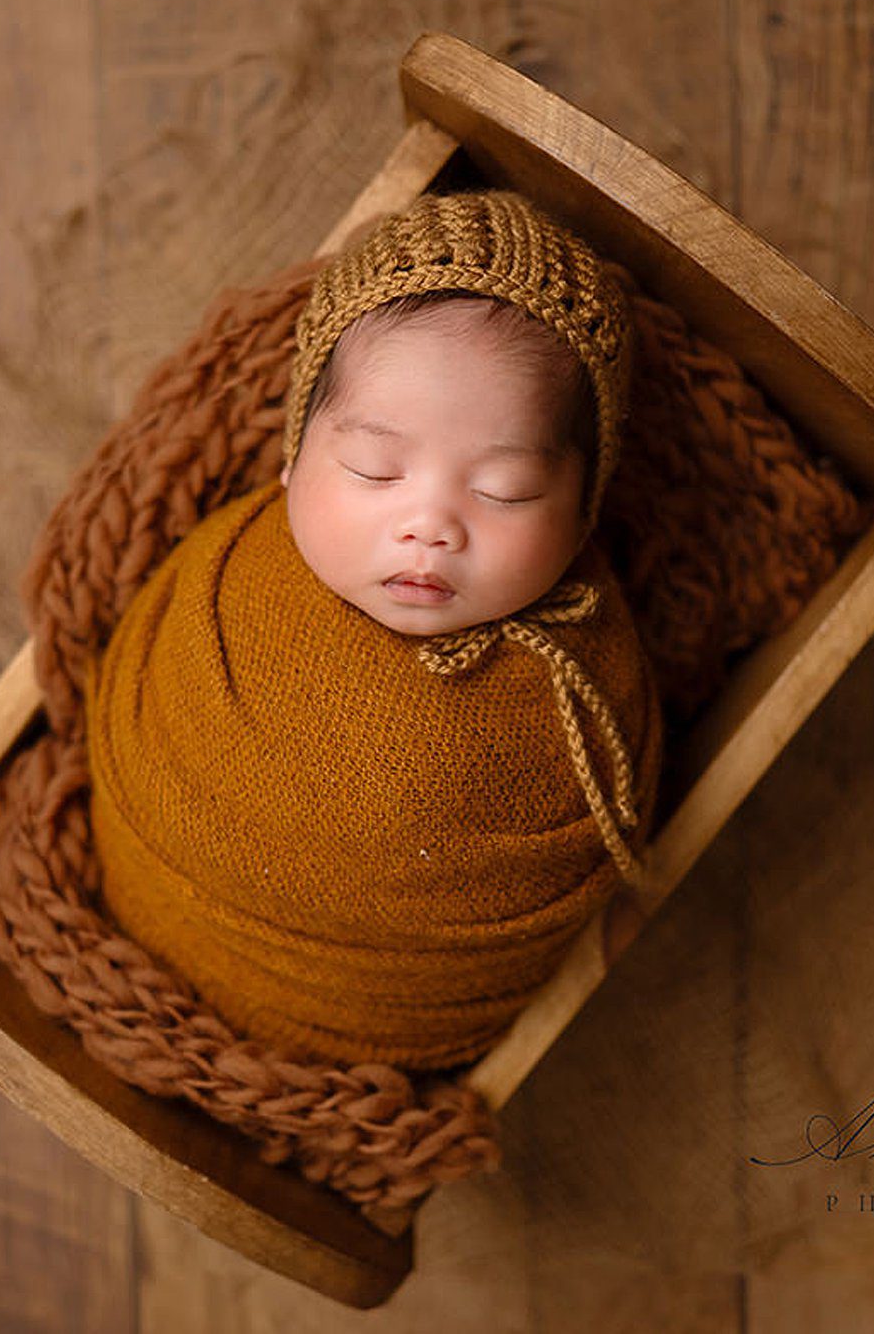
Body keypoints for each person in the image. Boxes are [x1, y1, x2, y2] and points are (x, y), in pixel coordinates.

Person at [84, 188, 663, 1071]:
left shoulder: (587, 689)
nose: (429, 524)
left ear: (585, 511)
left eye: (504, 490)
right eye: (372, 468)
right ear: (292, 458)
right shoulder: (227, 575)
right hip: (145, 910)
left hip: (385, 1031)